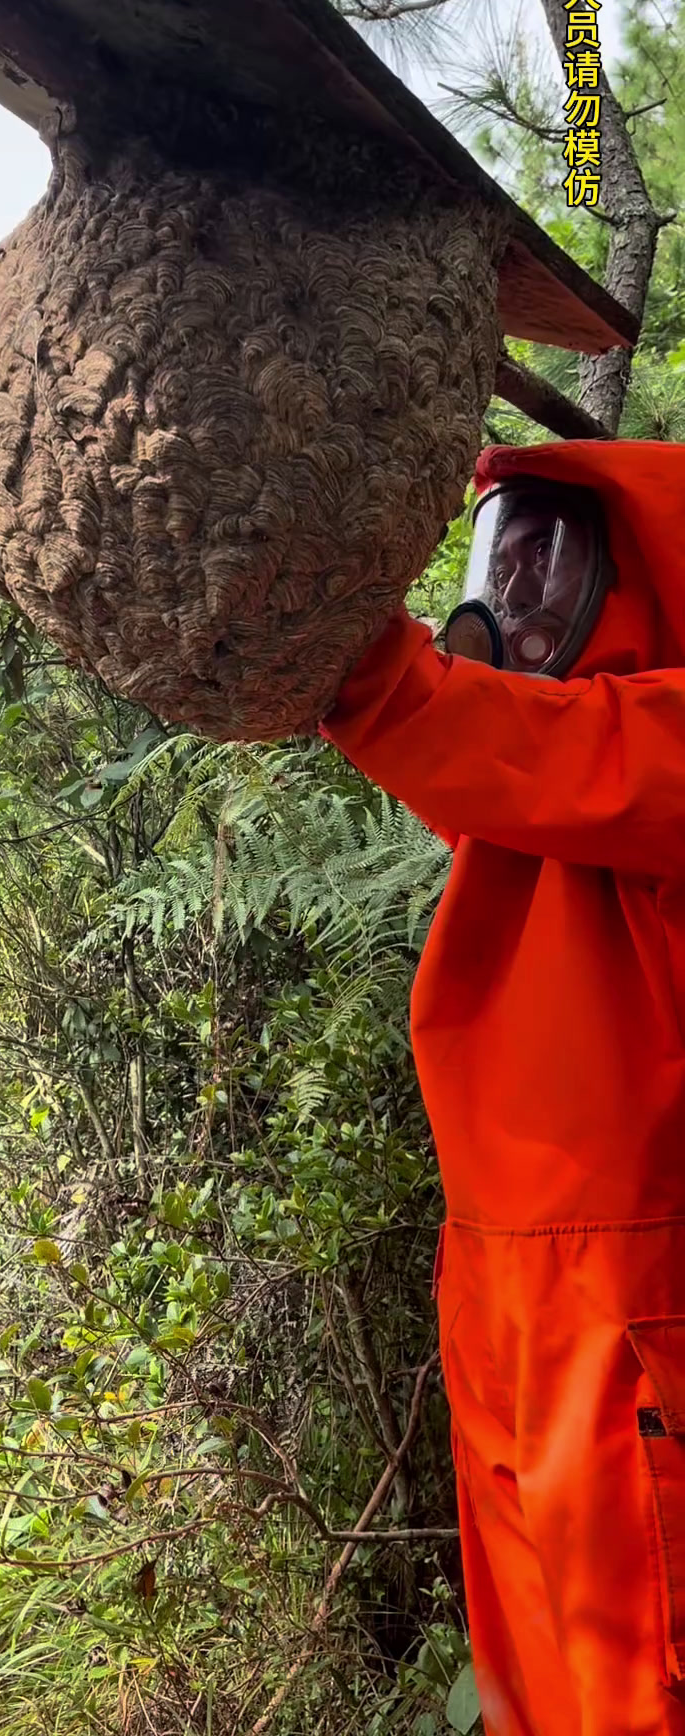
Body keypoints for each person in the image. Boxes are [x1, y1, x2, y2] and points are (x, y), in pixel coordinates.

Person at [321, 437, 685, 1735]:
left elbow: (488, 742)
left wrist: (326, 637)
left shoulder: (640, 744)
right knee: (533, 1658)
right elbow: (486, 760)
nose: (518, 593)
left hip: (634, 1303)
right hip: (506, 1283)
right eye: (505, 554)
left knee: (634, 1674)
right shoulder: (545, 771)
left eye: (552, 556)